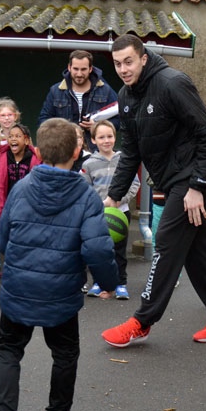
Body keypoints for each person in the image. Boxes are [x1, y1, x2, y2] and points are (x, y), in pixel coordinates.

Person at [0, 118, 118, 411]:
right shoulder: (85, 195)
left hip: (19, 287)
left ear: (38, 151)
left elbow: (5, 235)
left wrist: (9, 261)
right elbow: (98, 248)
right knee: (65, 352)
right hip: (61, 291)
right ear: (77, 152)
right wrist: (109, 282)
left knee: (9, 350)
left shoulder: (23, 188)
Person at [100, 34, 206, 347]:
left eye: (129, 61)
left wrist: (197, 187)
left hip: (191, 179)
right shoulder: (125, 96)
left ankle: (142, 321)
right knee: (196, 253)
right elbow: (131, 150)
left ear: (144, 58)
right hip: (172, 179)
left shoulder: (173, 83)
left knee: (165, 241)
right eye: (117, 63)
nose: (123, 69)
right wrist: (114, 195)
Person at [83, 120, 140, 300]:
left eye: (110, 136)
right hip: (99, 215)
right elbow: (85, 189)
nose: (106, 140)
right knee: (98, 251)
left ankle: (120, 283)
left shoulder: (124, 160)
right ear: (93, 140)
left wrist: (118, 200)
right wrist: (101, 204)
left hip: (120, 213)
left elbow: (135, 183)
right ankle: (99, 282)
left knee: (119, 251)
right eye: (101, 137)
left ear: (115, 138)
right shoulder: (89, 164)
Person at [0, 122, 40, 280]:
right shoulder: (2, 158)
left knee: (21, 238)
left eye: (18, 136)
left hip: (26, 207)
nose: (13, 139)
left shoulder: (35, 159)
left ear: (26, 140)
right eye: (11, 136)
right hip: (4, 205)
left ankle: (17, 267)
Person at [37, 50, 119, 150]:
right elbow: (43, 121)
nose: (79, 74)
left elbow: (120, 120)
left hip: (96, 152)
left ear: (90, 69)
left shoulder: (105, 90)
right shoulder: (56, 91)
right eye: (76, 69)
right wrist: (62, 129)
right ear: (69, 67)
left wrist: (97, 126)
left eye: (83, 69)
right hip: (64, 150)